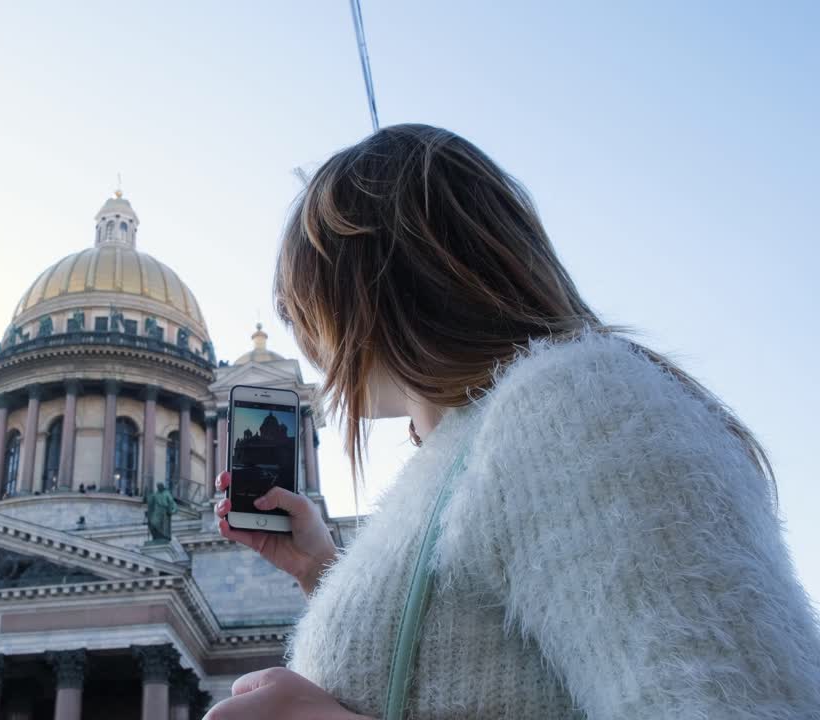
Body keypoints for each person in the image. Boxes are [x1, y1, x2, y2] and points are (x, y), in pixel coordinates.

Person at [208, 125, 820, 719]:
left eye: (302, 297)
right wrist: (321, 569)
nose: (301, 329)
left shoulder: (573, 406)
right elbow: (465, 668)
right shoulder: (476, 446)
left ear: (364, 287)